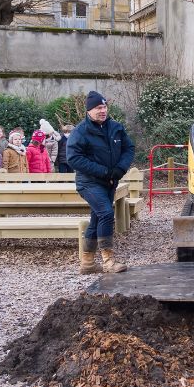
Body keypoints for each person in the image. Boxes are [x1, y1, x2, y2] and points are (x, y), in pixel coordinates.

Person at [67, 91, 135, 274]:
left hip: (110, 181)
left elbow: (129, 148)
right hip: (89, 182)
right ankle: (108, 261)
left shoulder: (115, 127)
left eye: (104, 107)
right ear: (89, 110)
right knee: (106, 214)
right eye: (98, 108)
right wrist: (104, 172)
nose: (102, 110)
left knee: (97, 218)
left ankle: (87, 263)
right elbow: (74, 158)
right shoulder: (80, 131)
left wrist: (120, 169)